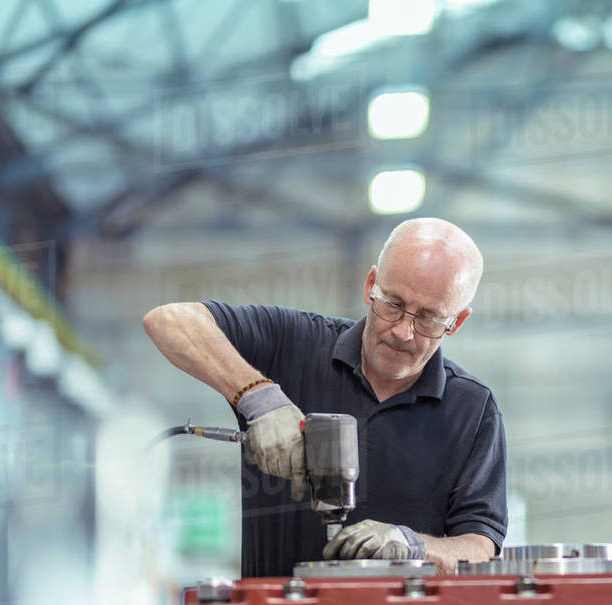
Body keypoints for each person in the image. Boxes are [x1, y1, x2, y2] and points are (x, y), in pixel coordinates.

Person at [143, 218, 506, 577]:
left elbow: (479, 549)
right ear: (370, 285)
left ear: (456, 322)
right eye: (393, 304)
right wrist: (258, 396)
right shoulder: (292, 344)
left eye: (428, 319)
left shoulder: (472, 411)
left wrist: (415, 546)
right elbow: (169, 320)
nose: (403, 331)